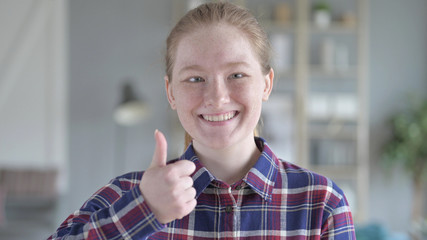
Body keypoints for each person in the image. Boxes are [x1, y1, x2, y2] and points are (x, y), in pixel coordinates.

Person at [49, 2, 355, 239]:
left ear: (266, 84)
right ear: (170, 92)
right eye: (195, 78)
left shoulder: (321, 203)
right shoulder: (126, 193)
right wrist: (144, 210)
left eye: (237, 75)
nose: (217, 97)